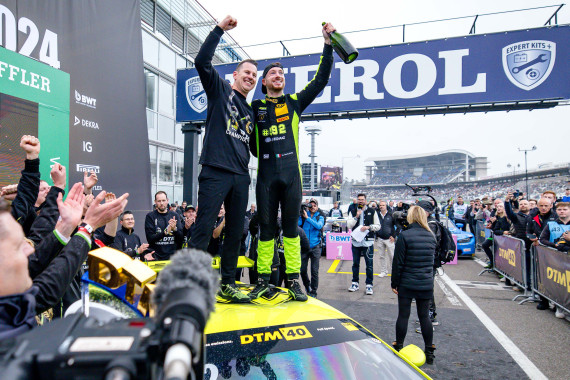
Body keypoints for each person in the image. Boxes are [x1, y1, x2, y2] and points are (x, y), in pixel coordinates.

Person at [247, 22, 335, 302]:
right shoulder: (255, 107)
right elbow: (248, 142)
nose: (278, 76)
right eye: (272, 73)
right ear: (264, 82)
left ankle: (294, 281)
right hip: (265, 179)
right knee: (265, 230)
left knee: (290, 231)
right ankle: (262, 280)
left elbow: (320, 80)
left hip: (291, 178)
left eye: (281, 74)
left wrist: (328, 45)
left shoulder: (295, 102)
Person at [0, 183, 128, 339]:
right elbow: (49, 281)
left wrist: (70, 228)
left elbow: (46, 283)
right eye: (19, 245)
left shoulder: (15, 307)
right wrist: (86, 228)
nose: (30, 249)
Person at [189, 15, 257, 303]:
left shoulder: (252, 112)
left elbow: (256, 149)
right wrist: (219, 30)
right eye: (247, 72)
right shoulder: (221, 91)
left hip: (241, 176)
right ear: (235, 76)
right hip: (216, 170)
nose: (251, 77)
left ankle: (227, 283)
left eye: (255, 75)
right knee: (204, 227)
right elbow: (201, 62)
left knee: (235, 233)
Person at [390, 205, 437, 364]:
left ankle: (398, 346)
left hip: (407, 282)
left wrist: (394, 283)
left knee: (403, 315)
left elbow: (398, 263)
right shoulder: (431, 236)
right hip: (425, 282)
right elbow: (432, 262)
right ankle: (429, 351)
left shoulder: (405, 235)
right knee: (424, 316)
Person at [347, 193, 380, 295]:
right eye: (359, 199)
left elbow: (378, 226)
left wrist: (369, 227)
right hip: (356, 241)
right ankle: (355, 283)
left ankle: (369, 285)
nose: (360, 201)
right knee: (355, 264)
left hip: (368, 241)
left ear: (366, 201)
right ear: (357, 201)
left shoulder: (372, 211)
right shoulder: (352, 211)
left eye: (362, 199)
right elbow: (348, 225)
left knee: (369, 264)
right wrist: (356, 216)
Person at [527, 198, 556, 310]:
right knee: (541, 275)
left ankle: (555, 302)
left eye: (546, 206)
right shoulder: (532, 217)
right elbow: (528, 232)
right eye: (541, 205)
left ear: (550, 206)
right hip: (539, 250)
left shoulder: (556, 217)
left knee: (553, 276)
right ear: (537, 206)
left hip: (552, 250)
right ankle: (543, 299)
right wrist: (533, 239)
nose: (543, 208)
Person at [417, 200, 442, 327]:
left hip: (429, 262)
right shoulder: (426, 222)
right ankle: (426, 314)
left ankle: (430, 315)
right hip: (425, 261)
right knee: (422, 289)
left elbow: (430, 243)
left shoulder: (431, 224)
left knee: (427, 289)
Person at [144, 191, 183, 261]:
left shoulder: (175, 215)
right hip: (156, 257)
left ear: (167, 201)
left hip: (173, 257)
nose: (161, 203)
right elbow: (150, 239)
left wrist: (175, 230)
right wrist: (165, 232)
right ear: (155, 202)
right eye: (159, 201)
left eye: (163, 200)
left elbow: (180, 239)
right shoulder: (150, 216)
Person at [299, 199, 325, 299]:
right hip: (304, 247)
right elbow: (297, 224)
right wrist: (300, 212)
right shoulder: (303, 215)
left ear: (317, 207)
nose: (312, 207)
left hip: (315, 247)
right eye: (311, 205)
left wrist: (308, 218)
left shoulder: (320, 216)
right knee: (302, 270)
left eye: (314, 205)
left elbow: (318, 226)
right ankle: (307, 286)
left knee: (314, 271)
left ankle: (314, 291)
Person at [375, 200, 396, 278]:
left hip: (389, 239)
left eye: (383, 205)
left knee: (392, 256)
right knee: (381, 256)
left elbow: (397, 226)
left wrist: (394, 236)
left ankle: (394, 272)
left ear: (386, 206)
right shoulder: (377, 215)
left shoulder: (391, 215)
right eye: (380, 205)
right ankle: (384, 271)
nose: (381, 206)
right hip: (380, 238)